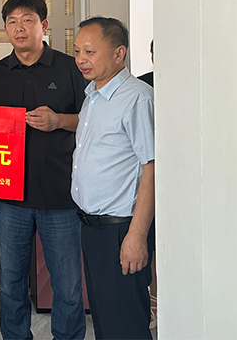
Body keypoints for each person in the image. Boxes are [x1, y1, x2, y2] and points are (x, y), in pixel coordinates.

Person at [0, 0, 86, 340]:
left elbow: (94, 121)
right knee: (10, 284)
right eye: (12, 21)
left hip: (60, 195)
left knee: (67, 286)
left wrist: (59, 121)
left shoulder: (70, 68)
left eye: (27, 20)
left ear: (44, 25)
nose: (19, 28)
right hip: (11, 199)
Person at [72, 17, 155, 340]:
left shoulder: (137, 98)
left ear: (119, 53)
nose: (81, 59)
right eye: (77, 51)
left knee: (125, 327)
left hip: (121, 230)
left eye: (90, 51)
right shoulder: (92, 97)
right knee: (106, 324)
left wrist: (136, 236)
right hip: (93, 229)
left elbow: (152, 169)